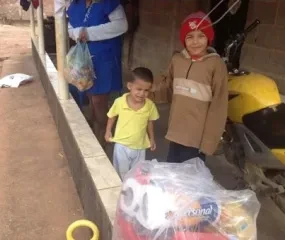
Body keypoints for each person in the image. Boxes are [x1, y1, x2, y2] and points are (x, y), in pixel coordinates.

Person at [153, 11, 228, 163]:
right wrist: (145, 92)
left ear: (209, 38)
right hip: (176, 131)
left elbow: (218, 107)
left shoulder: (216, 65)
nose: (195, 42)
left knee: (190, 179)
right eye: (190, 36)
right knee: (172, 173)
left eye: (201, 36)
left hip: (197, 137)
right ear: (183, 40)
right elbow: (167, 88)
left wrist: (209, 141)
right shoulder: (177, 60)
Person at [66, 0, 128, 148]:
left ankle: (103, 135)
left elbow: (121, 25)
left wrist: (87, 33)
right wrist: (77, 33)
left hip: (103, 59)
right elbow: (69, 27)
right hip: (83, 61)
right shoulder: (75, 5)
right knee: (89, 96)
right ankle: (95, 129)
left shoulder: (109, 3)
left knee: (99, 100)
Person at [105, 67, 159, 179]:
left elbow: (150, 122)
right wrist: (108, 131)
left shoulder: (150, 106)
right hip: (122, 145)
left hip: (140, 147)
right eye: (138, 89)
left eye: (146, 90)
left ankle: (132, 192)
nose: (142, 93)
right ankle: (121, 191)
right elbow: (111, 116)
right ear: (130, 86)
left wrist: (152, 138)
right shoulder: (119, 102)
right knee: (121, 173)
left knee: (136, 174)